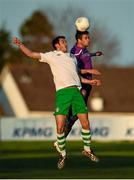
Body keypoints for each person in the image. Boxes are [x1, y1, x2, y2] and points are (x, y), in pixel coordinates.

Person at [12, 36, 101, 169]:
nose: (66, 43)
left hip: (76, 92)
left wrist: (89, 81)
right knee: (60, 127)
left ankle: (87, 150)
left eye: (65, 41)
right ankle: (63, 154)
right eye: (63, 41)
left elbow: (77, 75)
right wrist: (20, 45)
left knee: (85, 122)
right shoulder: (51, 56)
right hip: (62, 94)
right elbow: (31, 54)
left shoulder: (72, 57)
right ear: (57, 46)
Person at [64, 30, 103, 137]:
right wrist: (90, 71)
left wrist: (95, 54)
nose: (88, 39)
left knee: (77, 114)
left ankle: (61, 138)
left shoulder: (83, 49)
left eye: (88, 37)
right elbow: (74, 70)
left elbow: (85, 55)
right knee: (78, 112)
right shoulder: (75, 52)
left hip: (88, 83)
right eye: (86, 38)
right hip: (81, 83)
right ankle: (62, 134)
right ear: (79, 40)